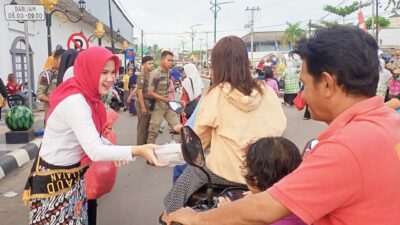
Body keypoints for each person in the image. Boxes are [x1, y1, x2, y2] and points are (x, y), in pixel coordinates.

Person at [167, 25, 400, 225]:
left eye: (304, 85)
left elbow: (262, 210)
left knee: (177, 197)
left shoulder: (344, 148)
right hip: (271, 171)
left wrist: (194, 218)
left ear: (327, 84)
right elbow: (280, 125)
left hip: (228, 175)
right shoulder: (390, 122)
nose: (303, 96)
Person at [23, 47, 162, 225]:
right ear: (90, 70)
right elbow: (95, 150)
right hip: (54, 182)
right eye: (104, 72)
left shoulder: (88, 97)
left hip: (73, 177)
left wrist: (113, 149)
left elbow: (93, 136)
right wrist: (139, 150)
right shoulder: (76, 102)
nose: (111, 78)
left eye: (113, 72)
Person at [163, 36, 287, 220]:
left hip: (225, 175)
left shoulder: (216, 93)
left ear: (218, 65)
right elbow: (280, 127)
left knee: (171, 205)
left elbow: (198, 141)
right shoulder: (266, 91)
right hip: (266, 176)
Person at [217, 137, 305, 225]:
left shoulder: (273, 219)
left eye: (245, 166)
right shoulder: (301, 198)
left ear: (256, 180)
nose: (242, 167)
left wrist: (230, 217)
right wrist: (261, 196)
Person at [147, 51, 182, 144]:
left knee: (178, 128)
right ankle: (149, 155)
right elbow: (150, 92)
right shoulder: (156, 73)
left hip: (168, 105)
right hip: (158, 106)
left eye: (171, 61)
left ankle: (175, 148)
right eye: (168, 60)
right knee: (153, 132)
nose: (170, 62)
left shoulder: (168, 73)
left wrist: (168, 100)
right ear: (162, 61)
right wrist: (164, 99)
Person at [36, 48, 65, 118]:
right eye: (57, 59)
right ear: (54, 59)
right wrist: (51, 100)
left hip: (65, 113)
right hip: (51, 113)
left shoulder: (68, 73)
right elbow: (40, 94)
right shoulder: (47, 75)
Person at [133, 56, 154, 145]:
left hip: (149, 102)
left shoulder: (151, 74)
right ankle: (140, 146)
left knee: (148, 125)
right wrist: (143, 107)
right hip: (143, 101)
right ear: (144, 65)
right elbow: (139, 91)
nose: (152, 65)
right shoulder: (142, 75)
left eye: (152, 63)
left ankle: (145, 144)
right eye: (149, 63)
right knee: (142, 126)